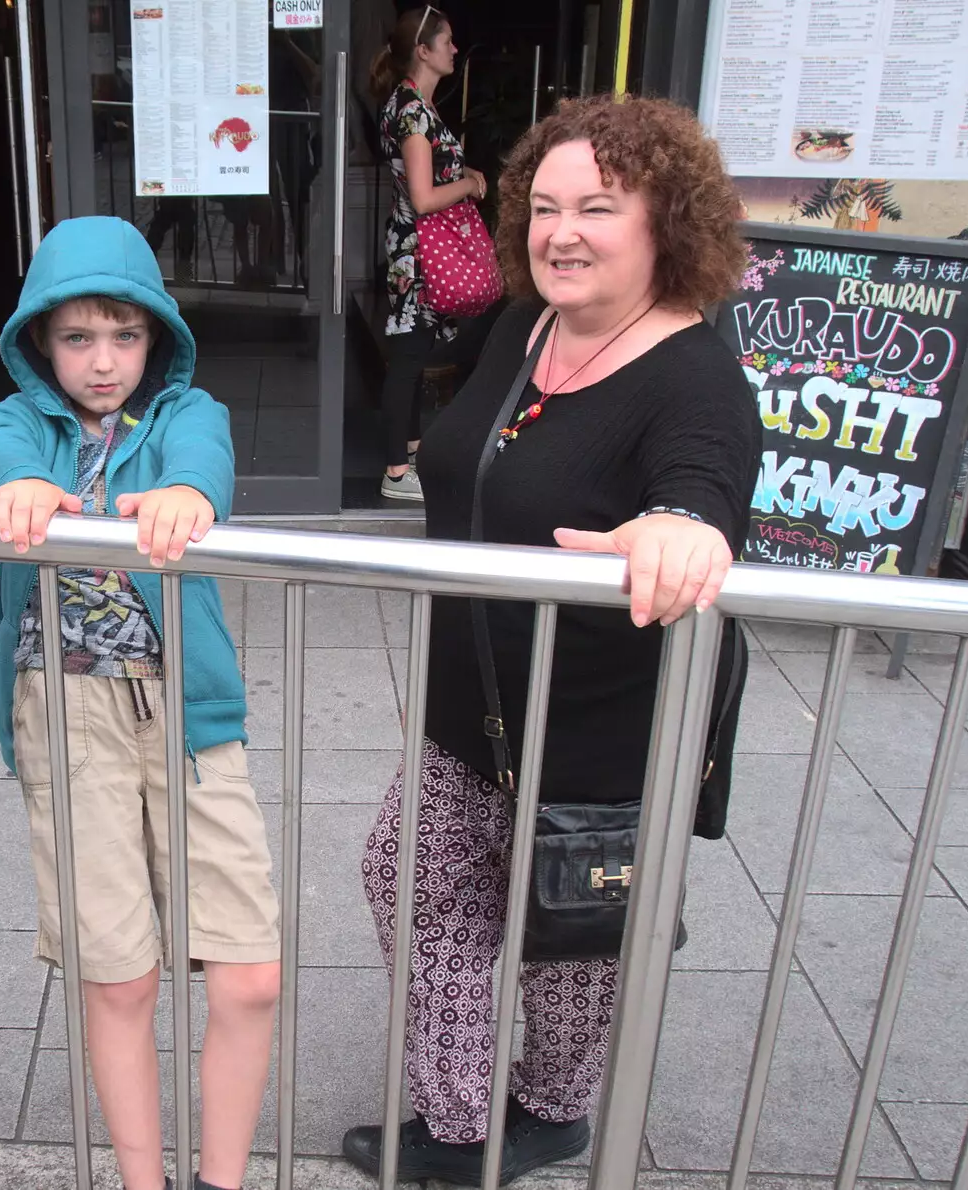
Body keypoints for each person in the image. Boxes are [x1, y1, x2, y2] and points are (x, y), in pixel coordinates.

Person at [341, 95, 759, 1183]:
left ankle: (555, 1108)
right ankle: (462, 1118)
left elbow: (701, 488)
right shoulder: (522, 326)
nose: (560, 230)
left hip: (596, 742)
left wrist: (679, 527)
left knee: (574, 942)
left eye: (599, 208)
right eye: (545, 205)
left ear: (667, 222)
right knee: (411, 883)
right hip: (464, 703)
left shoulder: (698, 378)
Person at [0, 216, 281, 1190]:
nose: (103, 361)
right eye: (76, 336)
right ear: (38, 341)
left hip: (187, 711)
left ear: (157, 336)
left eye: (125, 334)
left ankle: (219, 1183)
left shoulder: (186, 413)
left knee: (249, 971)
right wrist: (17, 486)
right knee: (119, 973)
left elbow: (205, 460)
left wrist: (188, 491)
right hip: (65, 713)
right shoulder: (16, 421)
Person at [369, 6, 486, 502]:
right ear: (423, 50)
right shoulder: (415, 111)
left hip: (413, 250)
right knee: (408, 359)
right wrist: (469, 183)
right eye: (448, 40)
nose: (455, 49)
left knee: (411, 356)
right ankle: (397, 472)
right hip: (419, 254)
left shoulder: (409, 103)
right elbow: (422, 198)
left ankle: (411, 452)